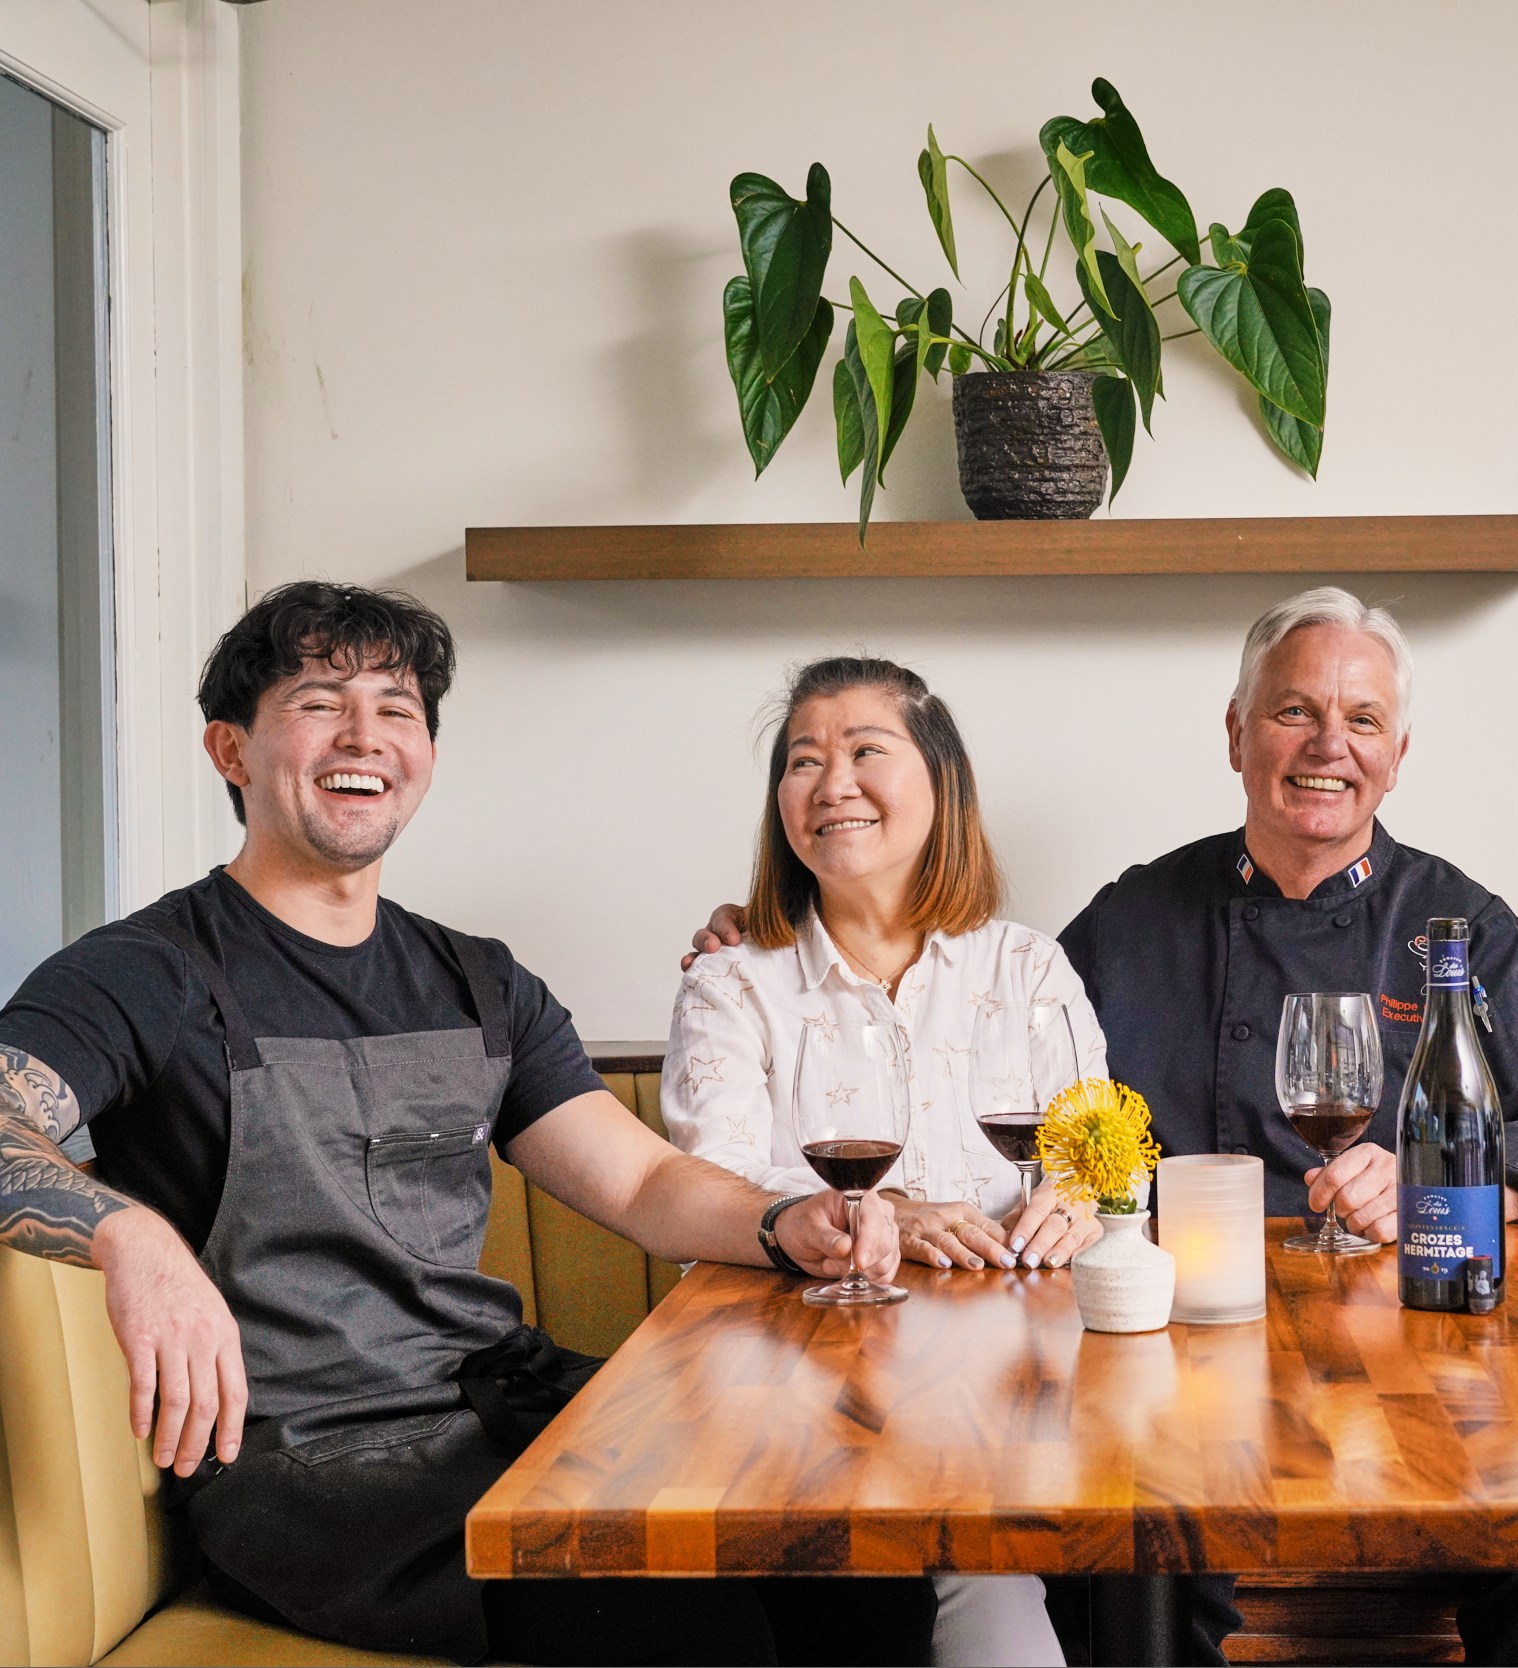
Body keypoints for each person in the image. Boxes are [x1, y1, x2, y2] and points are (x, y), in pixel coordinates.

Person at [0, 581, 937, 1668]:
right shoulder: (149, 970)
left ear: (427, 755)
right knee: (682, 1619)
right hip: (314, 1468)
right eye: (318, 701)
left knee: (857, 1542)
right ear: (231, 750)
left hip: (504, 1410)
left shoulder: (477, 979)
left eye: (398, 709)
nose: (366, 736)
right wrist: (131, 1238)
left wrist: (786, 1221)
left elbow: (639, 1187)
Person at [687, 589, 1518, 1666]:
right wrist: (760, 934)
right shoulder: (1132, 920)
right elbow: (998, 1040)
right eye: (1292, 713)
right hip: (1179, 1356)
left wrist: (1441, 1197)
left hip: (1408, 1345)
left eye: (1361, 721)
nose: (1328, 747)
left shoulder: (1460, 928)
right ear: (1235, 732)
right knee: (1134, 1553)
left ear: (1398, 752)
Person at [664, 655, 1108, 1668]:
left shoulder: (1028, 968)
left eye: (868, 751)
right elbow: (710, 1190)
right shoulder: (734, 985)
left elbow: (1094, 1157)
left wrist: (1083, 1200)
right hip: (802, 1391)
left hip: (1015, 1388)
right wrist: (885, 1215)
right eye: (802, 761)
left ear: (940, 783)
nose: (833, 784)